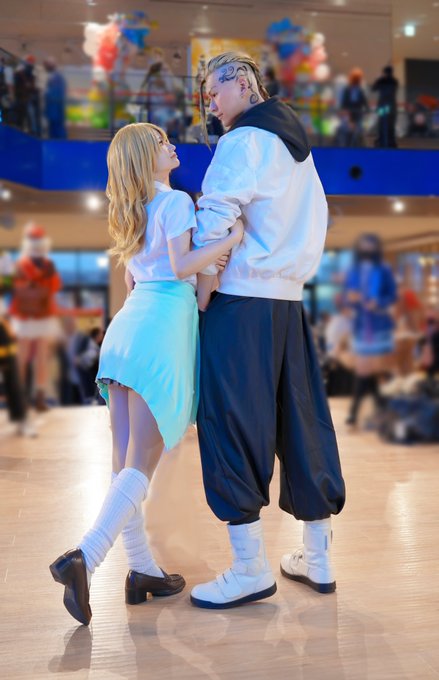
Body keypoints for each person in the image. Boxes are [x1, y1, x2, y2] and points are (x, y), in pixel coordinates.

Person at [49, 122, 243, 626]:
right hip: (159, 333)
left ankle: (142, 571)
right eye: (161, 142)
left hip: (125, 333)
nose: (172, 145)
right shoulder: (175, 202)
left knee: (124, 466)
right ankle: (85, 557)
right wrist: (230, 240)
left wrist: (206, 263)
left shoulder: (131, 214)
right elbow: (184, 272)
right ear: (144, 157)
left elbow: (138, 279)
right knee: (140, 464)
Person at [190, 52, 345, 610]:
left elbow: (215, 215)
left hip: (241, 301)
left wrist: (202, 285)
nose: (210, 105)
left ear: (242, 82)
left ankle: (249, 568)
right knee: (303, 422)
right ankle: (318, 558)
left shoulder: (243, 141)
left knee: (232, 424)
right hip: (289, 303)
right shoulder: (298, 149)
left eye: (212, 91)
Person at [344, 234, 398, 427]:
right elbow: (347, 297)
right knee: (365, 370)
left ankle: (355, 413)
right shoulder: (354, 271)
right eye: (363, 246)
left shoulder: (383, 269)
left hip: (379, 325)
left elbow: (392, 295)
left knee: (372, 370)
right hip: (361, 325)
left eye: (370, 246)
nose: (366, 250)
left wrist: (379, 302)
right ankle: (381, 409)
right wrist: (352, 299)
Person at [10, 223, 62, 412]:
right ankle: (32, 397)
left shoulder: (23, 264)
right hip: (36, 314)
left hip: (30, 314)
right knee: (35, 358)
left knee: (28, 358)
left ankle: (27, 397)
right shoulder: (45, 265)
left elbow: (15, 285)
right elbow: (55, 286)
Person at [339, 68, 369, 146]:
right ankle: (348, 146)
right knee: (347, 132)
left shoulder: (360, 90)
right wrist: (345, 114)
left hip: (357, 113)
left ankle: (356, 146)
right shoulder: (347, 90)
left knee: (357, 133)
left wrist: (367, 109)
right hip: (349, 114)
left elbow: (364, 101)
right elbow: (344, 103)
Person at [372, 65, 399, 148]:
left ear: (384, 72)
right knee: (391, 124)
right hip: (392, 107)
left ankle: (382, 140)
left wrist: (378, 78)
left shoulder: (382, 80)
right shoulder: (395, 81)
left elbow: (373, 88)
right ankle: (391, 142)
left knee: (381, 123)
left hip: (382, 106)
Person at [43, 57, 67, 139]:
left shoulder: (56, 77)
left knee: (57, 131)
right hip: (54, 110)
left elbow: (56, 95)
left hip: (55, 109)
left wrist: (46, 93)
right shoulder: (54, 77)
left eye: (46, 65)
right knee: (54, 130)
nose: (45, 67)